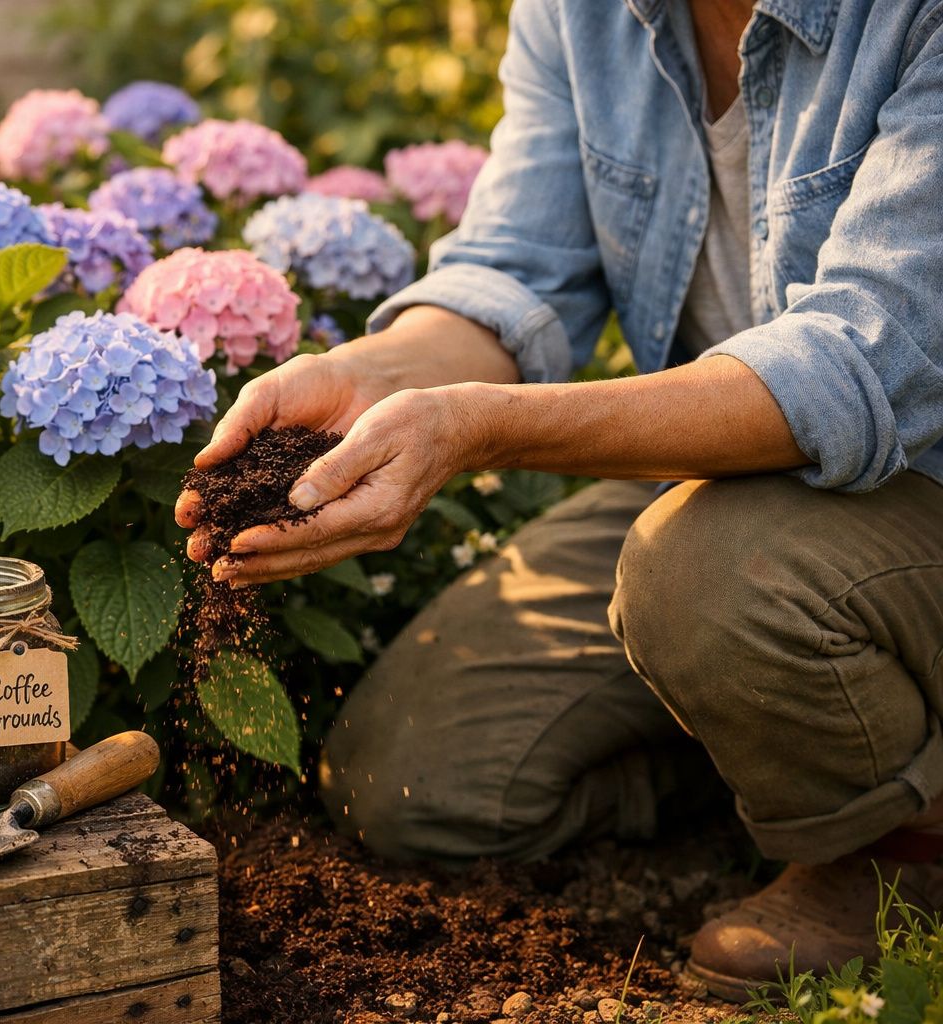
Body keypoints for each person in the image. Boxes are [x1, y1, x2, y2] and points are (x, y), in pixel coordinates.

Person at [175, 0, 943, 999]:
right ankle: (780, 734)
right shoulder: (589, 12)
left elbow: (861, 363)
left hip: (910, 477)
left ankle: (897, 853)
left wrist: (478, 427)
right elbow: (514, 270)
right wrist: (379, 377)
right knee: (415, 782)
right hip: (737, 487)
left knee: (704, 572)